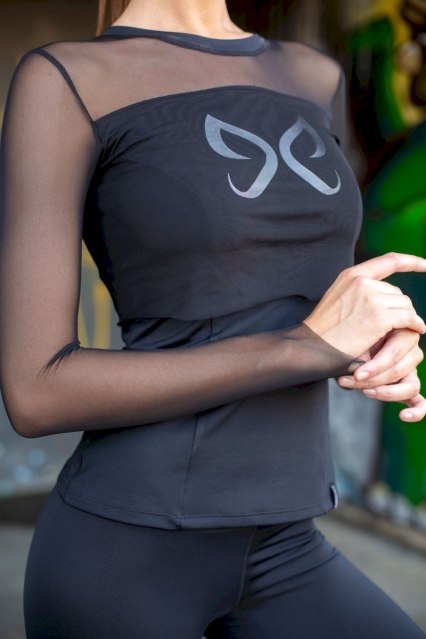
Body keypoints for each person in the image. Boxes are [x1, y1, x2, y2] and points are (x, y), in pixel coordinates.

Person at [0, 0, 425, 637]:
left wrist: (372, 341)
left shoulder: (313, 75)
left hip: (285, 544)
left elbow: (295, 292)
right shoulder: (69, 78)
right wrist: (305, 345)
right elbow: (35, 391)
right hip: (128, 553)